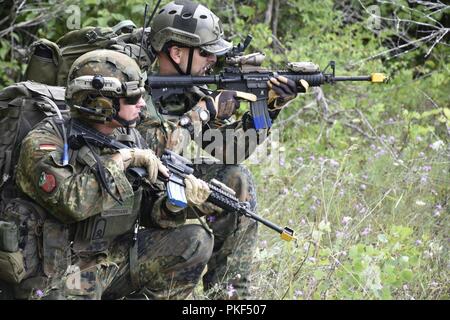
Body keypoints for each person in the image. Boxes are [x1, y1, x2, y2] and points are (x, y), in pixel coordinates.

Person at [137, 0, 308, 299]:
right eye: (205, 52)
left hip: (159, 190)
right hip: (128, 191)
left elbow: (230, 151)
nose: (212, 61)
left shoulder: (190, 86)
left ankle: (229, 297)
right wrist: (202, 112)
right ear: (176, 52)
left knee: (236, 180)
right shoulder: (131, 80)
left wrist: (268, 106)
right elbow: (150, 152)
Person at [13, 49, 214, 299]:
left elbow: (147, 209)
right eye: (133, 97)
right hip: (59, 274)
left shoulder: (129, 137)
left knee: (195, 240)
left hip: (109, 263)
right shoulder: (45, 141)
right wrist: (123, 160)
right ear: (101, 102)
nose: (142, 103)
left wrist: (174, 205)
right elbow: (72, 202)